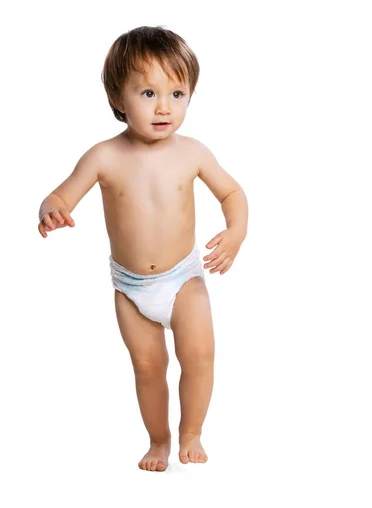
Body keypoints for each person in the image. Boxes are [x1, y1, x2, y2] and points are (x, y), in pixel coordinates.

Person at [38, 25, 248, 472]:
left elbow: (233, 194)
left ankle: (192, 432)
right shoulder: (103, 156)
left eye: (177, 93)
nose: (164, 107)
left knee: (200, 355)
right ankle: (159, 440)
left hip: (183, 278)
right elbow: (61, 195)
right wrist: (51, 209)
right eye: (148, 93)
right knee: (149, 367)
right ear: (118, 98)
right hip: (131, 288)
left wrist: (235, 233)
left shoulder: (192, 152)